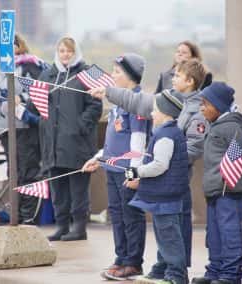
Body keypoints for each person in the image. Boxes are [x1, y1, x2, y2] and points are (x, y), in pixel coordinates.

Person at [89, 59, 207, 267]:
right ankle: (163, 267)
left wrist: (155, 163)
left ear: (189, 81)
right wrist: (108, 92)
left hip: (175, 180)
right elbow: (138, 101)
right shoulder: (169, 99)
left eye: (178, 76)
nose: (173, 78)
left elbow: (193, 148)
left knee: (175, 229)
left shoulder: (197, 110)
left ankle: (176, 272)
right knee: (163, 228)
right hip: (160, 178)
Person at [82, 53, 150, 280]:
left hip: (126, 173)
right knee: (117, 217)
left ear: (130, 77)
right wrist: (98, 157)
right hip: (111, 170)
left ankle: (133, 262)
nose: (112, 75)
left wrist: (134, 172)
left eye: (117, 71)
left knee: (131, 217)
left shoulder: (135, 102)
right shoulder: (117, 104)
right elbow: (113, 140)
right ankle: (121, 258)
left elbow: (138, 141)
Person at [192, 82, 242, 284]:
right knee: (214, 234)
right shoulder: (217, 126)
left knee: (229, 232)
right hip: (214, 191)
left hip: (227, 191)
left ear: (219, 105)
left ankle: (230, 274)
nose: (202, 109)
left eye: (205, 104)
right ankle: (215, 271)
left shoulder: (231, 126)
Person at [39, 36, 102, 241]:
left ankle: (79, 227)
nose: (65, 55)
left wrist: (79, 126)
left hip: (77, 142)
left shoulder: (86, 74)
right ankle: (62, 225)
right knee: (58, 188)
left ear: (75, 53)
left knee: (78, 188)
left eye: (69, 51)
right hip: (53, 142)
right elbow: (39, 104)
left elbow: (95, 106)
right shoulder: (48, 74)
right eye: (62, 51)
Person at [123, 90, 189, 284]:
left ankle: (176, 276)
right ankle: (161, 270)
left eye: (155, 110)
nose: (151, 113)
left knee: (169, 238)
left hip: (166, 198)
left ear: (166, 113)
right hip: (164, 197)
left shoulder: (166, 135)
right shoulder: (166, 132)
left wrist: (137, 172)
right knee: (164, 237)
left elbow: (160, 165)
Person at [0, 34, 46, 224]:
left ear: (18, 46)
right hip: (7, 130)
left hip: (25, 129)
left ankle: (28, 217)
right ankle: (17, 215)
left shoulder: (28, 65)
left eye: (8, 46)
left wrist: (21, 100)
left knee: (28, 173)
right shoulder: (4, 69)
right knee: (14, 174)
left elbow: (41, 92)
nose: (4, 50)